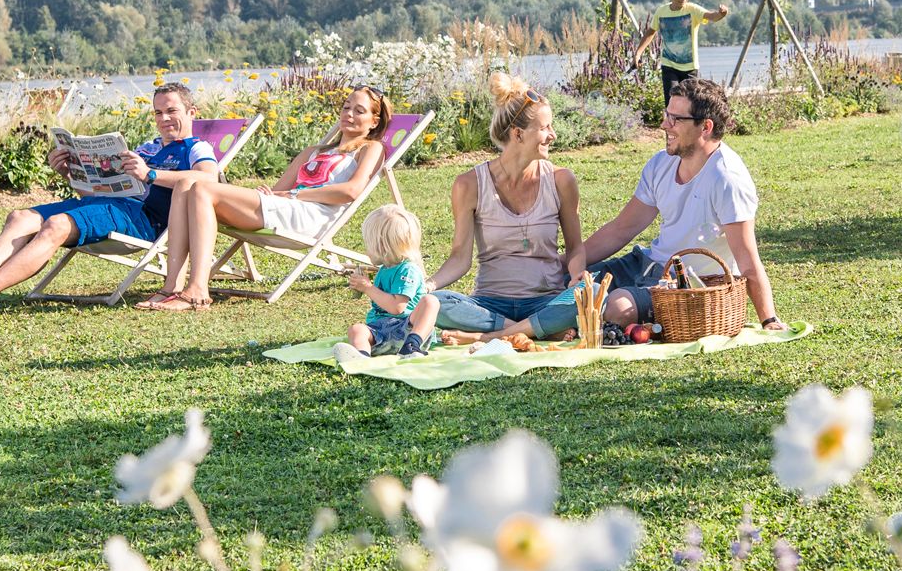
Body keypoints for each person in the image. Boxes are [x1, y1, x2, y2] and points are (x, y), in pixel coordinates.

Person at [0, 81, 219, 316]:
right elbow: (96, 192)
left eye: (172, 111)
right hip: (108, 205)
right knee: (20, 217)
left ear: (192, 112)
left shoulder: (196, 147)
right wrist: (70, 172)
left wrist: (150, 175)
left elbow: (208, 179)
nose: (164, 118)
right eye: (158, 112)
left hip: (142, 219)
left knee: (56, 226)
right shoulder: (146, 148)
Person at [140, 85, 394, 309]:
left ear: (374, 121)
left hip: (313, 216)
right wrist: (276, 194)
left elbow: (351, 191)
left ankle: (197, 291)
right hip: (285, 208)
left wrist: (295, 195)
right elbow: (278, 189)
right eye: (346, 107)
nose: (349, 114)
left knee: (202, 186)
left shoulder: (371, 148)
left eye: (359, 111)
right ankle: (170, 287)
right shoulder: (313, 151)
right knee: (187, 183)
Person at [580, 76, 786, 333]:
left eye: (675, 119)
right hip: (646, 264)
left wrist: (769, 319)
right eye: (667, 115)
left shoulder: (727, 179)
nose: (664, 124)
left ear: (705, 127)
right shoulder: (660, 164)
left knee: (616, 308)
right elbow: (621, 229)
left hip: (684, 286)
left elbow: (747, 258)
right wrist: (569, 261)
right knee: (568, 282)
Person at [427, 74, 587, 343]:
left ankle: (488, 337)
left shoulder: (561, 180)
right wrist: (427, 286)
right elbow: (459, 258)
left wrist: (576, 275)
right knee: (434, 302)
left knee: (586, 294)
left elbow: (575, 248)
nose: (553, 135)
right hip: (490, 307)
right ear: (518, 134)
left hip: (545, 301)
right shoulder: (469, 185)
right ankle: (531, 331)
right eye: (545, 128)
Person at [336, 204, 439, 363]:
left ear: (382, 246)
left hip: (406, 328)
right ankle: (361, 357)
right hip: (380, 331)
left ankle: (412, 346)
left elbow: (397, 307)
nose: (366, 251)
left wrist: (368, 288)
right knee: (357, 329)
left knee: (431, 301)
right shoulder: (384, 269)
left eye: (368, 245)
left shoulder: (408, 270)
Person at [634, 0, 730, 103]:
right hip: (669, 65)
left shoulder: (692, 10)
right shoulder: (661, 12)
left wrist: (721, 14)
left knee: (689, 104)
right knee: (672, 101)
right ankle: (670, 122)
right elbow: (650, 32)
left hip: (689, 67)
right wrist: (638, 53)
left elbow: (712, 16)